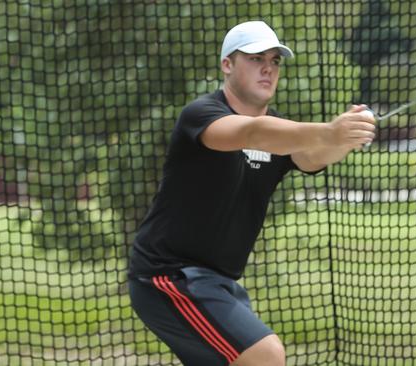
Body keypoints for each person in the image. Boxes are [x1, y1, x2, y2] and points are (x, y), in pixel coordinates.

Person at [127, 20, 375, 366]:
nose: (268, 69)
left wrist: (342, 140)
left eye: (275, 60)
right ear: (227, 64)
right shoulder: (202, 115)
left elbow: (311, 156)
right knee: (265, 355)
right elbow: (253, 133)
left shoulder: (280, 132)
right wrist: (328, 131)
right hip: (169, 277)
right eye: (256, 58)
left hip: (215, 283)